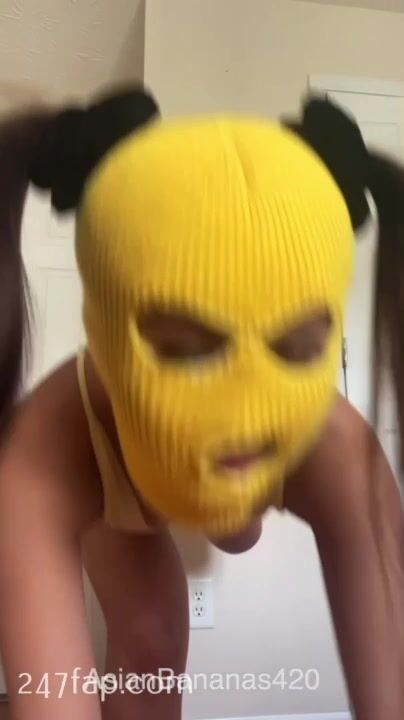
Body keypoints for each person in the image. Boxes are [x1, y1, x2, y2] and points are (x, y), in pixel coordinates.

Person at [0, 84, 401, 720]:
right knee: (152, 637)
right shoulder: (44, 453)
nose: (235, 406)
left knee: (235, 535)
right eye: (183, 351)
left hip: (266, 478)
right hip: (112, 453)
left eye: (294, 347)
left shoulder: (338, 450)